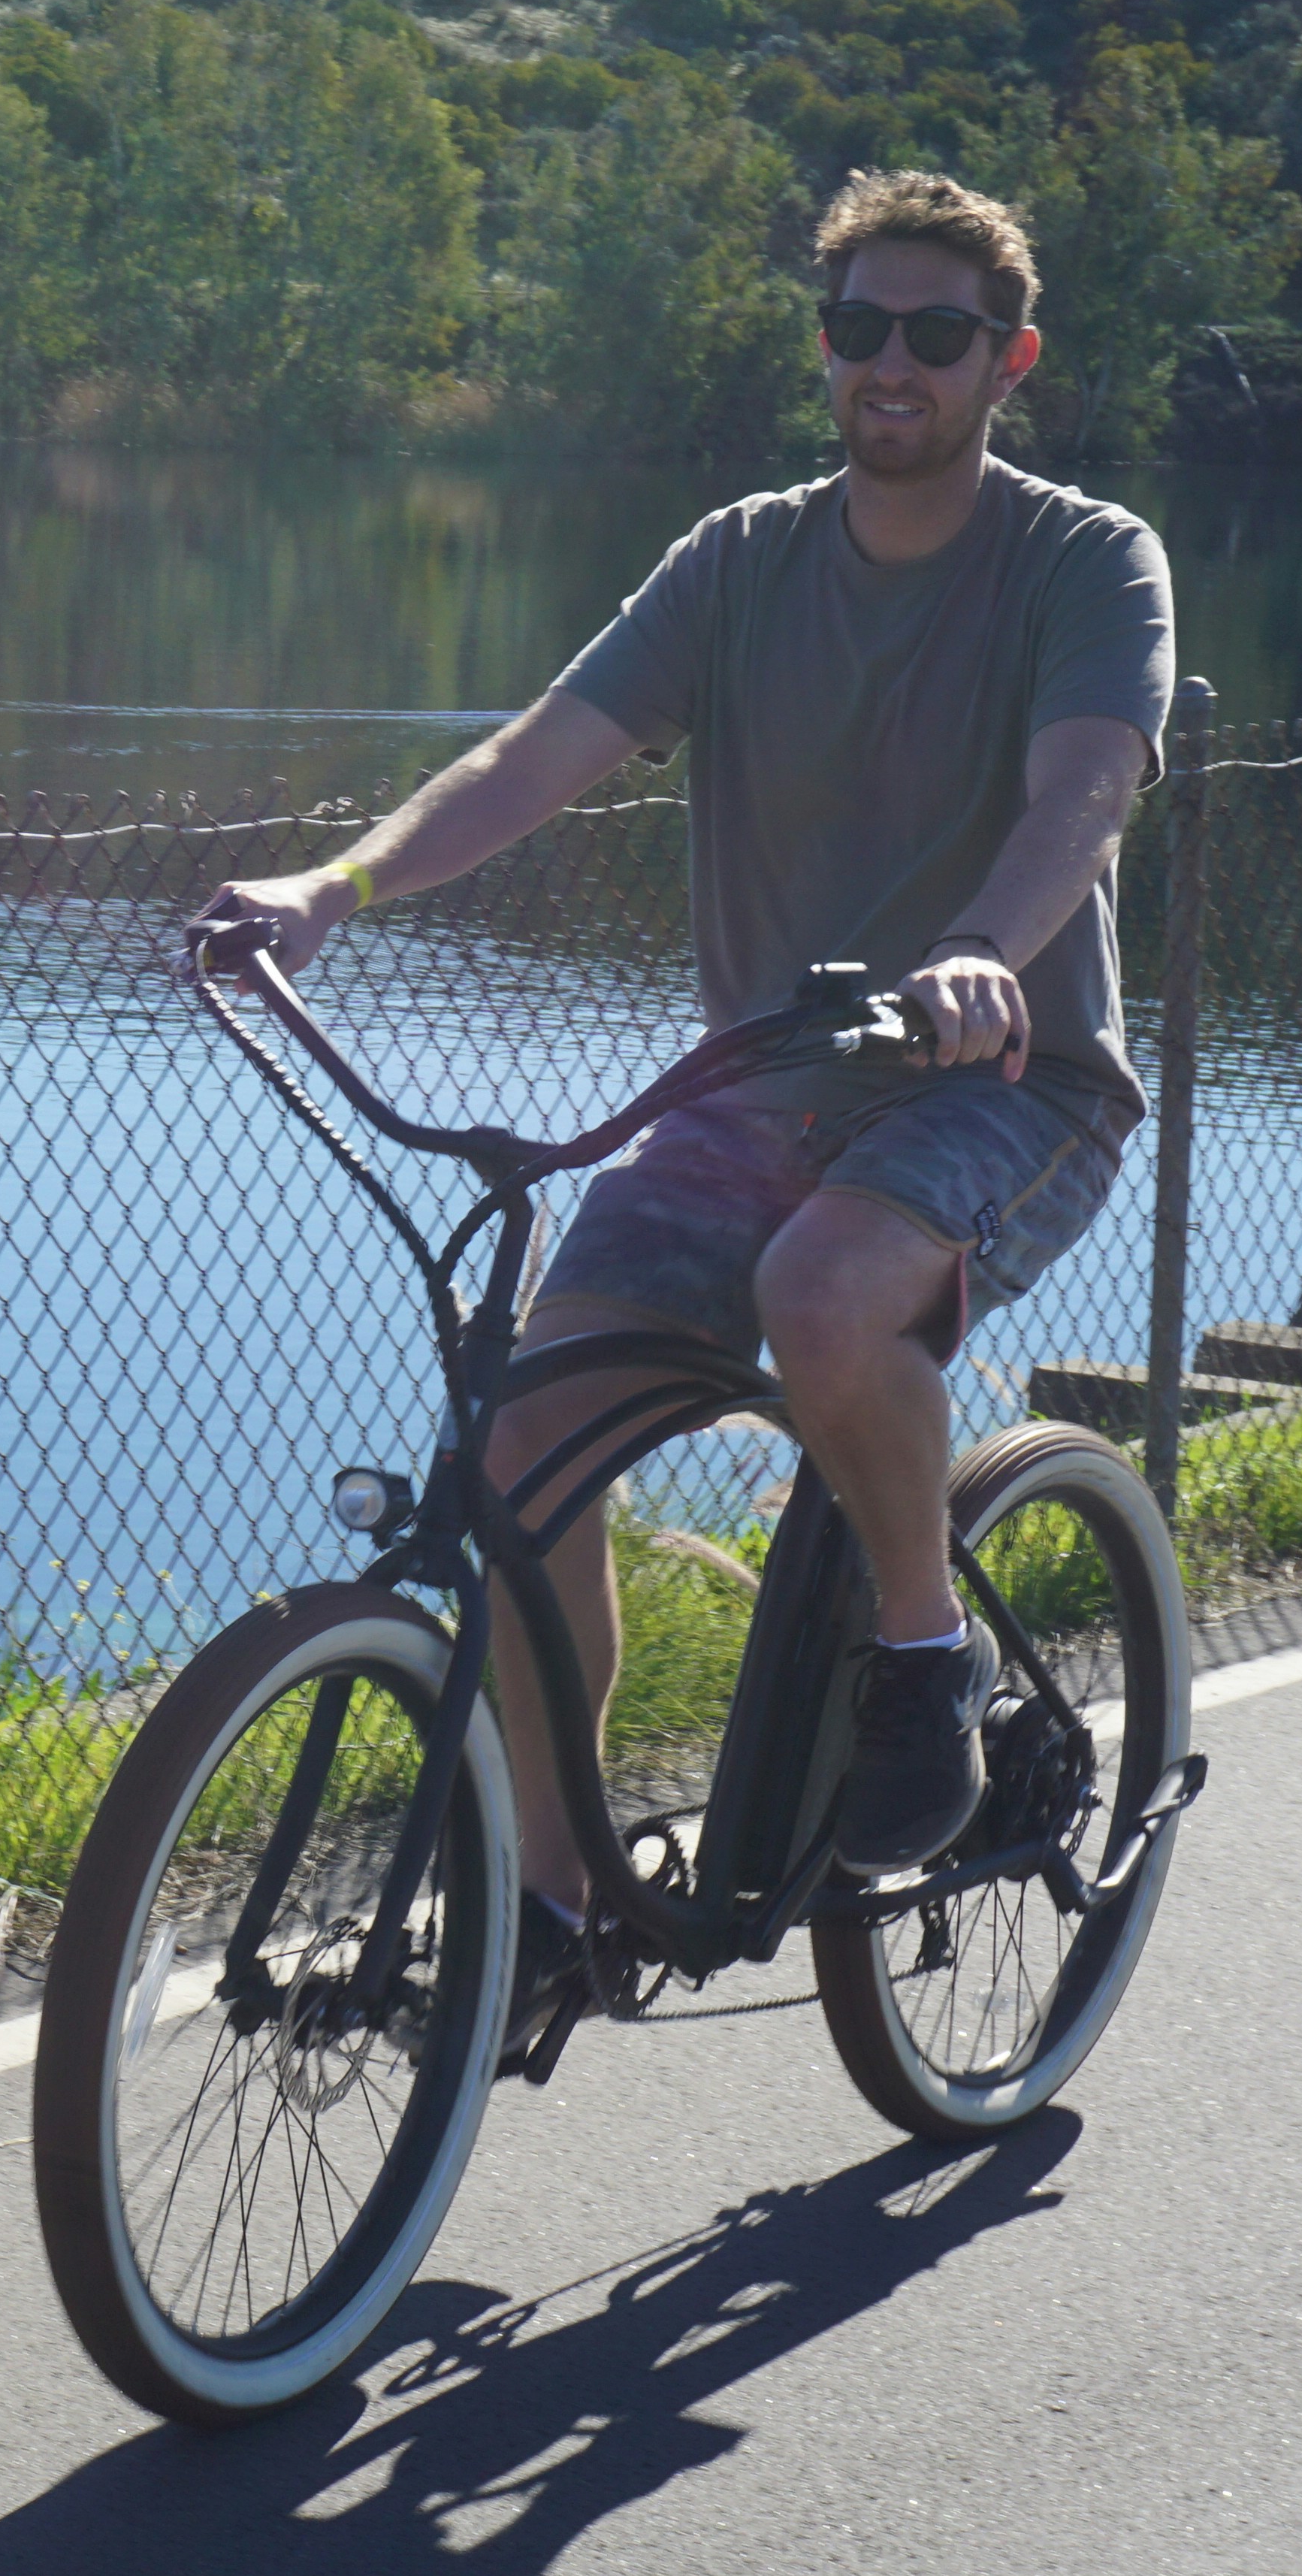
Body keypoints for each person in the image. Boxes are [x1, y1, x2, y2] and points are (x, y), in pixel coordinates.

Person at [203, 168, 1174, 2063]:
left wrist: (983, 947)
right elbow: (534, 757)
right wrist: (332, 891)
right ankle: (557, 1905)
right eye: (858, 327)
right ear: (822, 346)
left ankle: (924, 1656)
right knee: (532, 1443)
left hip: (1007, 1073)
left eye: (937, 334)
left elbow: (1088, 793)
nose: (891, 363)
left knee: (830, 1294)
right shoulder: (738, 557)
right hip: (761, 1084)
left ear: (1008, 360)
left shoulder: (1084, 556)